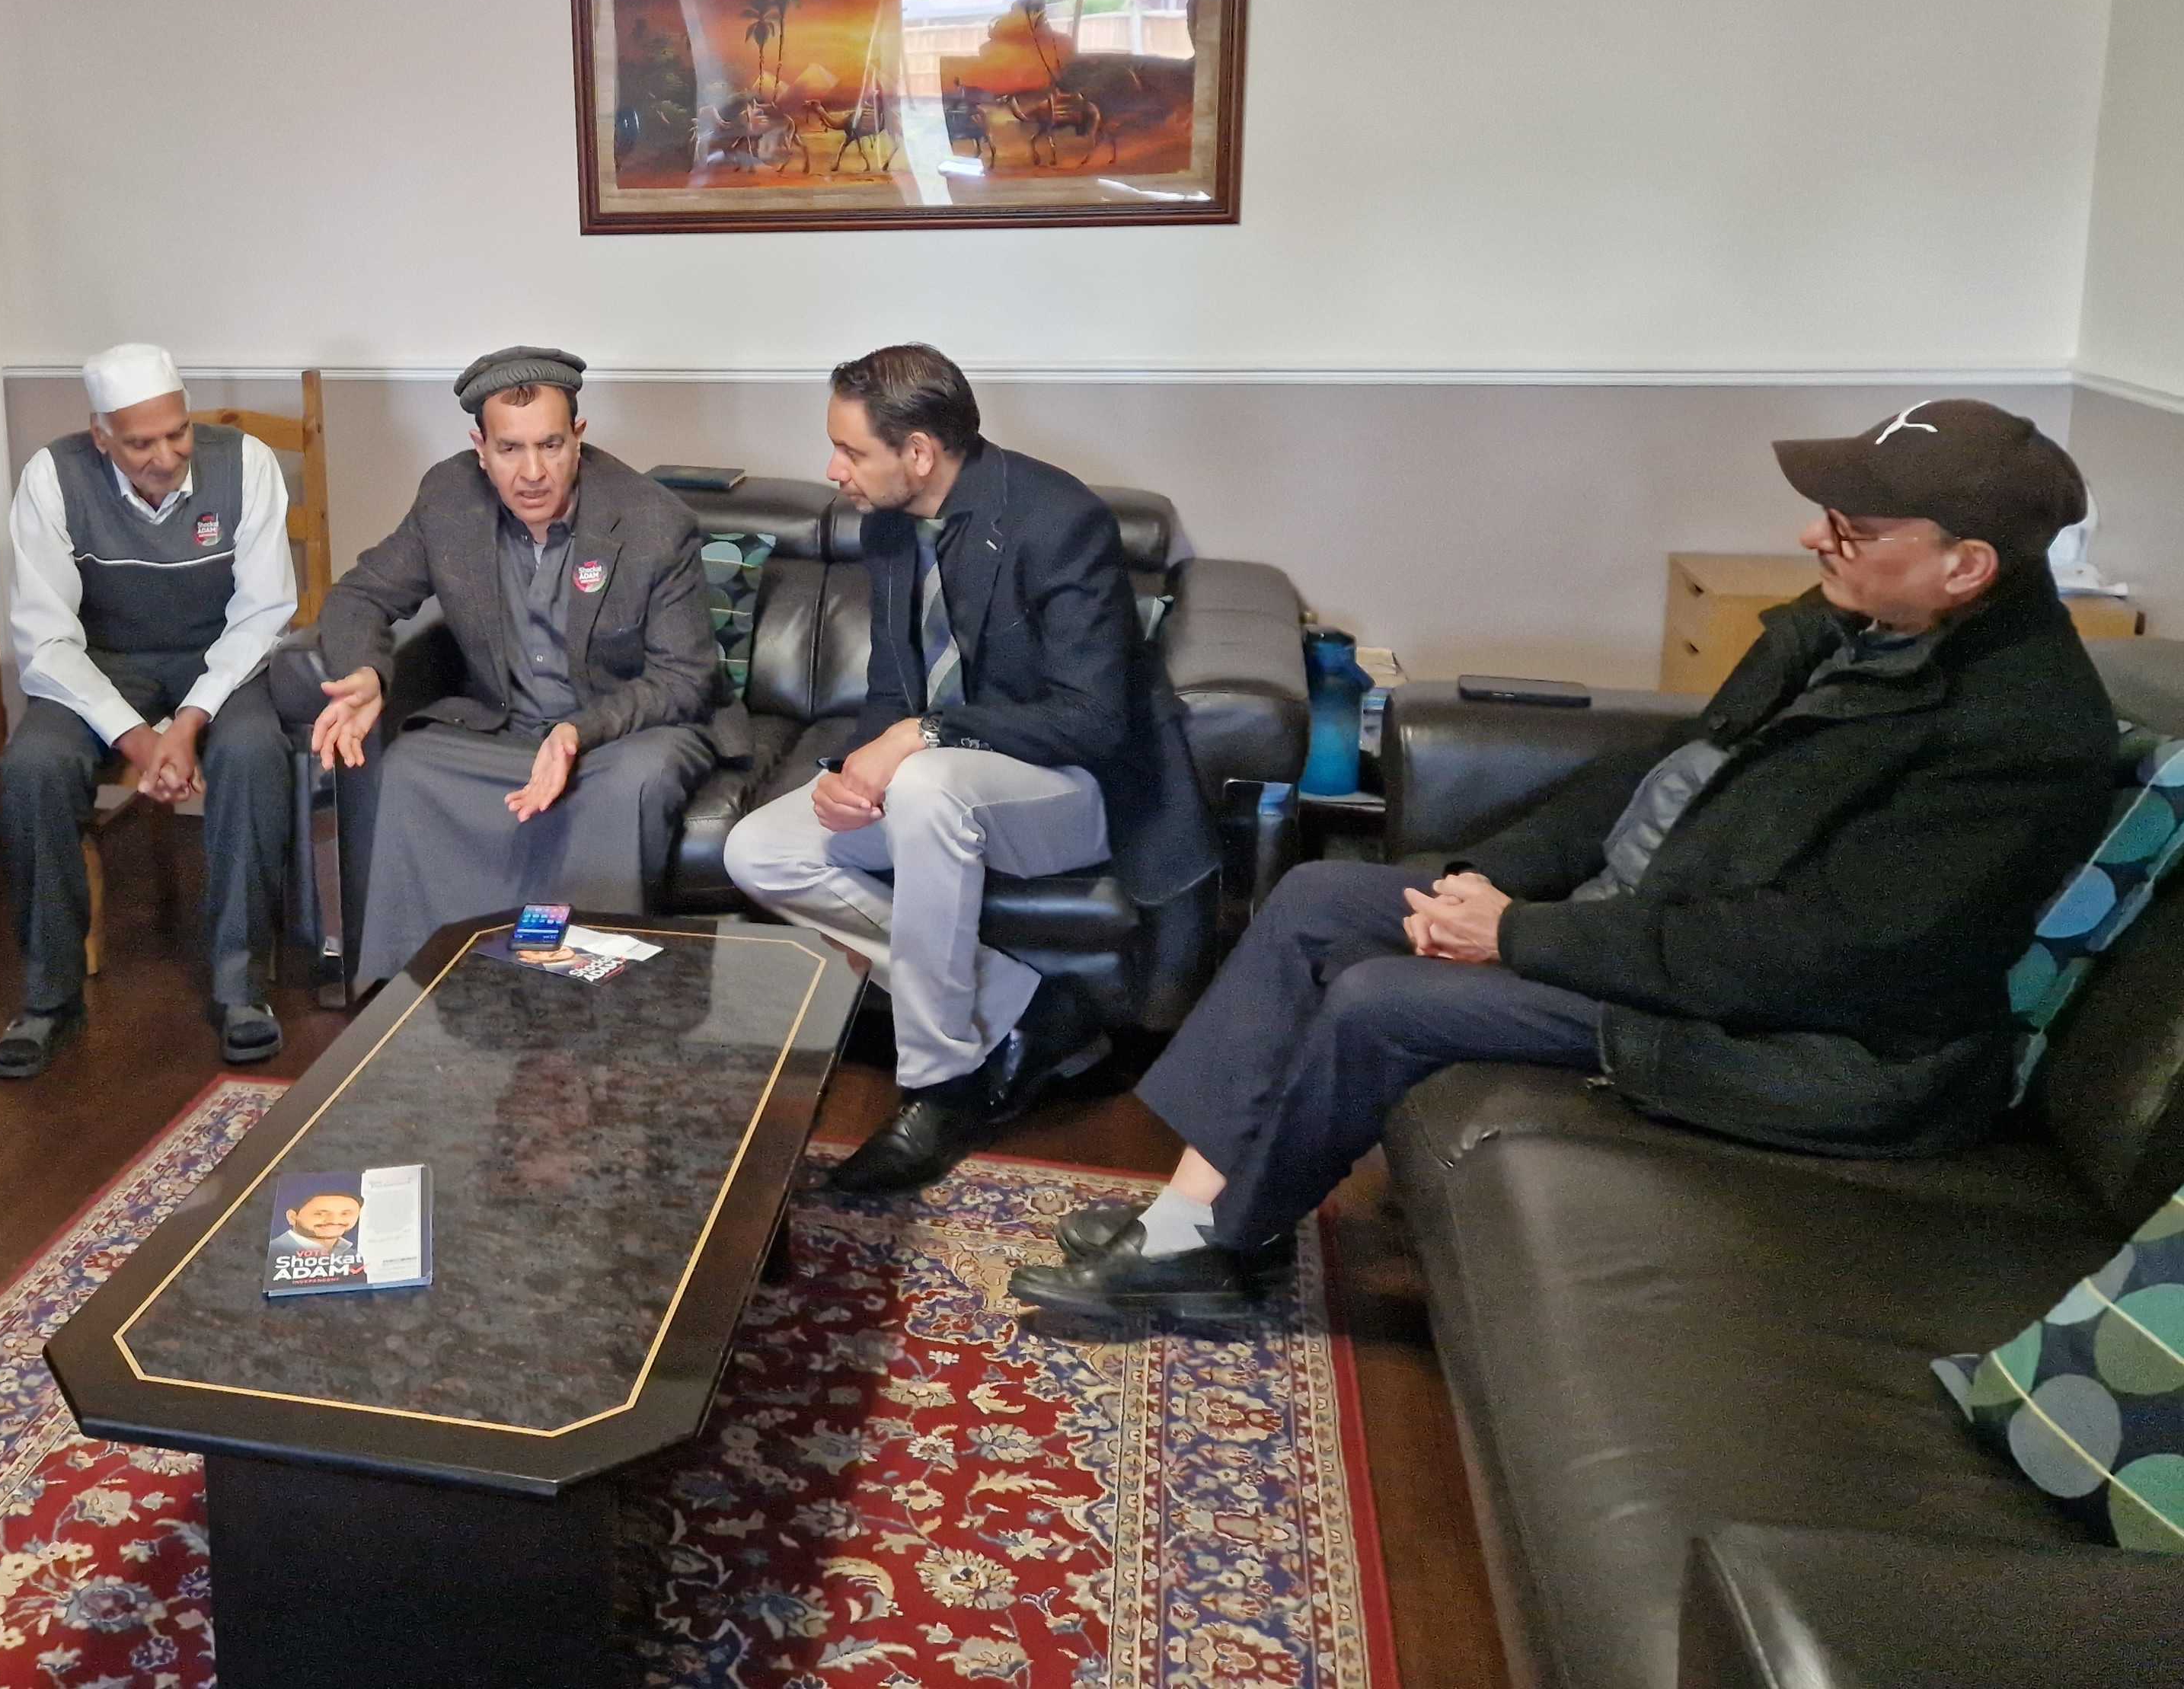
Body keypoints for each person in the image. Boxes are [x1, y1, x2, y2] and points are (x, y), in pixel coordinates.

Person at [1012, 398, 2121, 1332]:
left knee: (1381, 1000)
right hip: (1648, 924)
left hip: (1801, 1041)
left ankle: (1213, 1250)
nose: (1811, 543)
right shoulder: (1864, 625)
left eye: (1847, 526)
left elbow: (1815, 952)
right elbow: (1658, 777)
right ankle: (1194, 1226)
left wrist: (1516, 935)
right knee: (1315, 898)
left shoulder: (2016, 732)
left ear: (1964, 565)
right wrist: (1475, 883)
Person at [723, 345, 1220, 1193]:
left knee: (924, 781)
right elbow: (893, 681)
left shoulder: (1058, 520)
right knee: (759, 850)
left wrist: (919, 737)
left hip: (1074, 789)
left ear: (918, 451)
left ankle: (940, 1083)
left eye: (850, 451)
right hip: (947, 781)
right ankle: (1031, 1005)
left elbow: (1091, 721)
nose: (831, 468)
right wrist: (854, 772)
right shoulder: (887, 521)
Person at [310, 346, 729, 982]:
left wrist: (576, 733)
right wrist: (367, 673)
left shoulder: (652, 521)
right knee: (413, 766)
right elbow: (359, 595)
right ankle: (426, 992)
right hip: (509, 731)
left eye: (551, 446)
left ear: (579, 438)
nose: (533, 472)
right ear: (481, 447)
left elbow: (684, 679)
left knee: (628, 783)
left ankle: (591, 1001)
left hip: (626, 734)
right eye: (510, 449)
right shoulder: (448, 499)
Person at [0, 343, 300, 1074]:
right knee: (31, 766)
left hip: (221, 658)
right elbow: (47, 640)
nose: (166, 456)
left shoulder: (247, 463)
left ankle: (240, 989)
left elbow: (262, 614)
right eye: (140, 442)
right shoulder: (53, 477)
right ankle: (49, 1000)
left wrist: (188, 724)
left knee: (257, 755)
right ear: (101, 437)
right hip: (103, 666)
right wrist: (138, 739)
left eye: (178, 433)